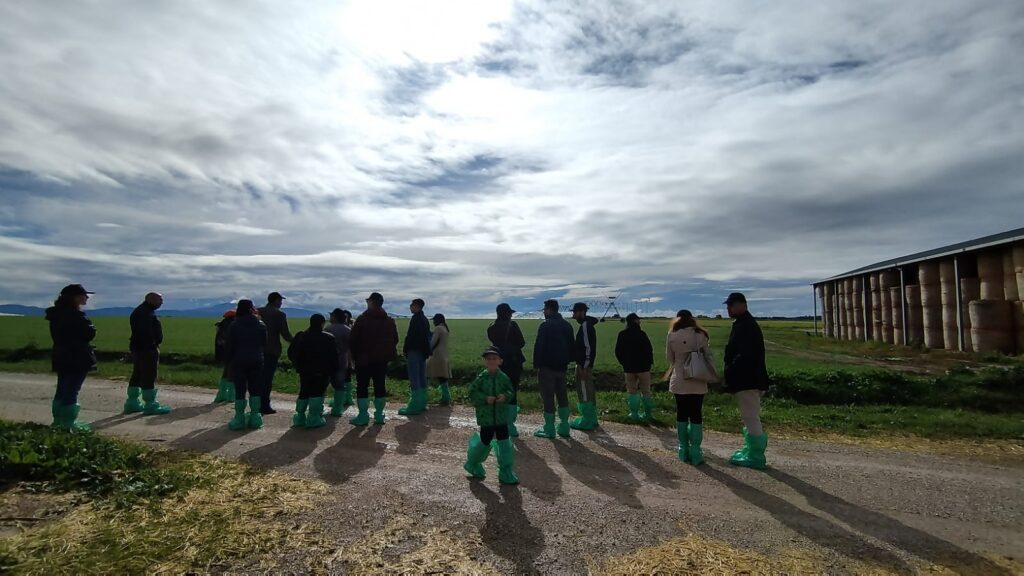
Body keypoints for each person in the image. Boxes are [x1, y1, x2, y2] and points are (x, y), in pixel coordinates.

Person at [723, 292, 770, 469]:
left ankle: (756, 455)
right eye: (728, 305)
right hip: (748, 378)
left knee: (750, 416)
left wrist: (731, 370)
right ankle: (750, 448)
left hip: (748, 379)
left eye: (731, 305)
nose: (728, 308)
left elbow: (745, 355)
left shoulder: (746, 326)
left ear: (742, 305)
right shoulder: (743, 323)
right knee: (748, 415)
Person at [463, 346, 518, 485]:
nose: (491, 361)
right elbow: (472, 393)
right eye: (488, 359)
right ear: (485, 362)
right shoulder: (481, 378)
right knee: (485, 440)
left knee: (504, 442)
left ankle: (506, 471)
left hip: (501, 416)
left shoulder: (504, 378)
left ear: (500, 361)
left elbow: (511, 392)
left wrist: (504, 397)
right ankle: (473, 463)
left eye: (494, 358)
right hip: (486, 417)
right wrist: (484, 398)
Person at [46, 284, 97, 431]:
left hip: (61, 354)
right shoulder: (75, 315)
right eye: (83, 295)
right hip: (77, 356)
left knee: (62, 388)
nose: (86, 298)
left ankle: (58, 421)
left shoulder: (56, 314)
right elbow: (89, 333)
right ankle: (68, 424)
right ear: (74, 297)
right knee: (72, 389)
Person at [666, 310, 712, 465]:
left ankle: (683, 448)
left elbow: (669, 358)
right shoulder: (701, 335)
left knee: (682, 413)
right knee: (696, 414)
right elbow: (708, 355)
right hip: (698, 378)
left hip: (679, 378)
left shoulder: (672, 335)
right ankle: (696, 450)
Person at [348, 292, 399, 426]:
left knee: (362, 387)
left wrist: (353, 356)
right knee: (380, 386)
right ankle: (379, 415)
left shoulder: (362, 319)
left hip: (363, 359)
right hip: (381, 360)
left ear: (371, 303)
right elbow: (395, 339)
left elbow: (352, 339)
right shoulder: (389, 321)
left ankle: (363, 415)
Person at [287, 314, 340, 429]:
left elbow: (291, 352)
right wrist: (334, 370)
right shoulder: (329, 338)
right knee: (317, 393)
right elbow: (334, 357)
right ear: (322, 323)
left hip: (304, 370)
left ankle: (299, 417)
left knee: (304, 391)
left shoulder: (301, 335)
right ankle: (313, 418)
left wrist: (298, 365)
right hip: (322, 371)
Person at [532, 299, 575, 439]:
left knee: (548, 397)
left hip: (547, 367)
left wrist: (536, 364)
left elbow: (539, 346)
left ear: (549, 309)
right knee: (562, 395)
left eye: (544, 309)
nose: (544, 312)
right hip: (562, 367)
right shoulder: (567, 325)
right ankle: (564, 426)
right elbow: (571, 346)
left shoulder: (545, 325)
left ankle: (549, 428)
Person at [123, 292, 171, 415]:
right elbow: (146, 333)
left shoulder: (141, 311)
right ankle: (150, 404)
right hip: (147, 349)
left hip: (138, 348)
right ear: (151, 299)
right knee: (149, 375)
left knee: (137, 374)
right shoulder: (146, 313)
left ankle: (132, 402)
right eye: (159, 299)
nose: (161, 302)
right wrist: (153, 345)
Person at [225, 299, 268, 430]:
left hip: (239, 360)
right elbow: (264, 344)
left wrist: (228, 361)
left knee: (240, 390)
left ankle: (239, 418)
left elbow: (230, 346)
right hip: (256, 359)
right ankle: (255, 417)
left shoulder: (234, 325)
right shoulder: (261, 324)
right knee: (255, 389)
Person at [486, 303, 526, 436]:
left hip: (499, 363)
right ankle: (510, 425)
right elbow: (522, 342)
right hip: (514, 363)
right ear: (507, 314)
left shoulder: (491, 328)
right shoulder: (513, 325)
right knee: (512, 391)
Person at [257, 291, 293, 415]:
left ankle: (255, 403)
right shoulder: (279, 315)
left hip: (257, 349)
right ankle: (264, 405)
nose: (281, 303)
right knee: (267, 379)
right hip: (272, 350)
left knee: (256, 378)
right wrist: (297, 342)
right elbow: (285, 334)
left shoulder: (258, 311)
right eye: (281, 301)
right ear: (276, 301)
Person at [615, 313, 655, 422]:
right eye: (638, 319)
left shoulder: (622, 334)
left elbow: (618, 351)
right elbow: (649, 350)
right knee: (646, 391)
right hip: (643, 368)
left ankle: (634, 414)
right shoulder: (642, 334)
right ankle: (648, 415)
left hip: (629, 368)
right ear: (635, 321)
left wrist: (624, 363)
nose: (640, 321)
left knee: (632, 391)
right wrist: (649, 364)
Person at [399, 298, 431, 416]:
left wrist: (406, 349)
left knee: (414, 377)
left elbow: (411, 336)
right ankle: (422, 403)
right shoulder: (424, 319)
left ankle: (414, 405)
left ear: (417, 306)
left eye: (411, 305)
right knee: (422, 376)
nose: (410, 307)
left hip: (414, 350)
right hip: (422, 352)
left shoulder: (416, 319)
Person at [569, 302, 599, 431]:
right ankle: (592, 418)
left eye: (575, 312)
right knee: (588, 391)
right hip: (584, 364)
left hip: (583, 366)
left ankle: (587, 420)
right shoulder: (587, 325)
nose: (574, 315)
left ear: (581, 312)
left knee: (584, 391)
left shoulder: (586, 326)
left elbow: (588, 347)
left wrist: (584, 366)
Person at [324, 308, 353, 416]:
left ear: (335, 317)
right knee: (340, 385)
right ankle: (337, 409)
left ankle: (318, 408)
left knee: (324, 383)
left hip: (328, 360)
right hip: (343, 360)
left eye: (331, 315)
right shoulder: (347, 330)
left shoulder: (327, 329)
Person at [427, 313, 452, 406]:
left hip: (436, 355)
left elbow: (433, 343)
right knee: (442, 378)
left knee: (426, 375)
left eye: (434, 320)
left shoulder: (438, 329)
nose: (433, 322)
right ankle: (446, 397)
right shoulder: (445, 329)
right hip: (444, 355)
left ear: (437, 320)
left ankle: (423, 396)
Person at [211, 309, 237, 403]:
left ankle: (221, 394)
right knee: (232, 373)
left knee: (226, 372)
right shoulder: (232, 325)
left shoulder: (222, 325)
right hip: (232, 352)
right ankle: (231, 395)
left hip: (223, 352)